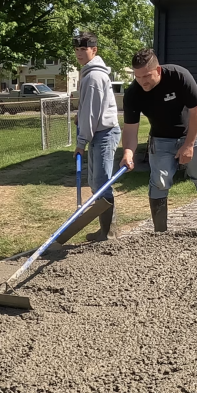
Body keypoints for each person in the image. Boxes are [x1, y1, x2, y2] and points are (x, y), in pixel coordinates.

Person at [119, 48, 197, 234]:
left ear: (157, 70)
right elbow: (130, 129)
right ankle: (160, 233)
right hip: (161, 140)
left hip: (192, 135)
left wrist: (189, 144)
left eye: (147, 76)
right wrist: (128, 152)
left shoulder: (179, 76)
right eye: (138, 77)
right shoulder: (133, 93)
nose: (143, 82)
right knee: (159, 182)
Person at [73, 31, 121, 241]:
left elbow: (91, 114)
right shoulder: (89, 73)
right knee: (95, 182)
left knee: (101, 182)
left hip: (104, 133)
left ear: (94, 50)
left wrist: (81, 142)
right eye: (76, 49)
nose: (79, 53)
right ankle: (107, 230)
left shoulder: (93, 76)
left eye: (83, 49)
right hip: (98, 133)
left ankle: (109, 232)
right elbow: (88, 110)